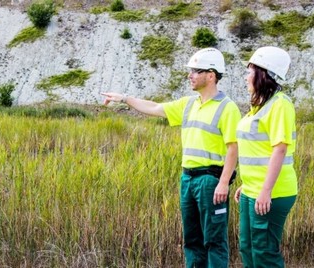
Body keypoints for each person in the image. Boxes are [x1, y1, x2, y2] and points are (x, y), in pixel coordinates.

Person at [102, 48, 241, 268]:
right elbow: (155, 107)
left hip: (210, 181)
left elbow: (233, 148)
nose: (190, 75)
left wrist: (223, 183)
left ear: (211, 75)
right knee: (192, 240)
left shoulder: (228, 108)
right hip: (188, 179)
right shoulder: (188, 104)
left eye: (196, 71)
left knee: (214, 241)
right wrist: (125, 99)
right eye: (191, 71)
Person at [234, 46, 297, 268]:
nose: (245, 76)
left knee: (264, 251)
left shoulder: (280, 104)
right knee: (248, 248)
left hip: (274, 192)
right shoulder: (258, 106)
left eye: (249, 71)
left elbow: (279, 150)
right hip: (253, 190)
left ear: (263, 73)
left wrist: (265, 190)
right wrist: (247, 184)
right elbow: (258, 151)